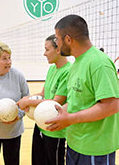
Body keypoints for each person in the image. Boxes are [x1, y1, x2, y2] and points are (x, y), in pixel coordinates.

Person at [47, 14, 119, 165]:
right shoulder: (77, 63)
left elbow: (112, 105)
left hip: (95, 148)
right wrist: (59, 110)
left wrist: (70, 119)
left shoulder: (99, 63)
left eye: (58, 40)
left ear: (68, 39)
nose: (57, 45)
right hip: (74, 143)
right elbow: (76, 101)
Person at [17, 34, 71, 165]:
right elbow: (43, 94)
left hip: (55, 131)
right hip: (41, 125)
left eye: (47, 49)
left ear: (58, 50)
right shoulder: (52, 68)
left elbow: (55, 102)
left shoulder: (68, 71)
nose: (44, 54)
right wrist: (26, 99)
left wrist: (29, 102)